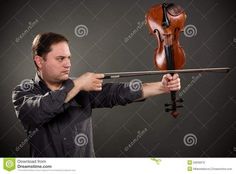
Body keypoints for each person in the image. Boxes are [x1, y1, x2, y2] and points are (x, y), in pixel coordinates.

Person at [12, 32, 181, 157]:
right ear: (39, 61)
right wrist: (78, 84)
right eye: (60, 59)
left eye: (69, 58)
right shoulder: (23, 92)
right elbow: (38, 112)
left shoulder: (81, 87)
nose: (68, 64)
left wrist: (162, 86)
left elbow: (116, 93)